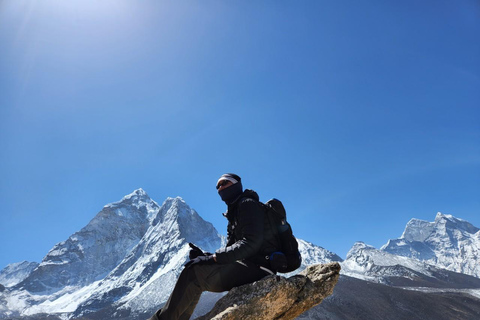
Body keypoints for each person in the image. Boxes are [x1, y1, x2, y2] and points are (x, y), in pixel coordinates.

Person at [149, 173, 280, 320]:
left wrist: (213, 258)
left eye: (225, 183)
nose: (221, 188)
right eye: (218, 186)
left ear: (237, 185)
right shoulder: (234, 212)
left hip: (259, 268)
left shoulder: (247, 204)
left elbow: (251, 243)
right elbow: (231, 250)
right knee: (195, 274)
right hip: (249, 267)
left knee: (194, 273)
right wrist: (205, 257)